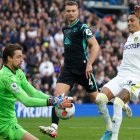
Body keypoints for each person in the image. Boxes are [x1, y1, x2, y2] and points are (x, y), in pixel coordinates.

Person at [39, 0, 100, 138]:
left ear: (78, 11)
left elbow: (95, 46)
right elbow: (69, 49)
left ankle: (117, 102)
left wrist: (90, 63)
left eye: (73, 11)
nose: (71, 13)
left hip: (83, 69)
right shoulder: (65, 29)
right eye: (68, 11)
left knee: (97, 98)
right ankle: (53, 128)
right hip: (68, 69)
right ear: (64, 12)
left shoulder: (83, 27)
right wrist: (62, 63)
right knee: (57, 96)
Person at [0, 43, 72, 140]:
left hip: (11, 122)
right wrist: (53, 102)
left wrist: (55, 99)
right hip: (5, 125)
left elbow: (33, 92)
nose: (22, 60)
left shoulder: (18, 72)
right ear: (9, 58)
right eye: (18, 57)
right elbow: (26, 101)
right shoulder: (6, 77)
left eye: (22, 56)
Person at [97, 6, 140, 140]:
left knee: (117, 103)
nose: (129, 23)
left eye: (132, 20)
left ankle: (114, 138)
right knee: (99, 99)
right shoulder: (128, 38)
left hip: (135, 78)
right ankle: (109, 128)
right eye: (128, 21)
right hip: (121, 76)